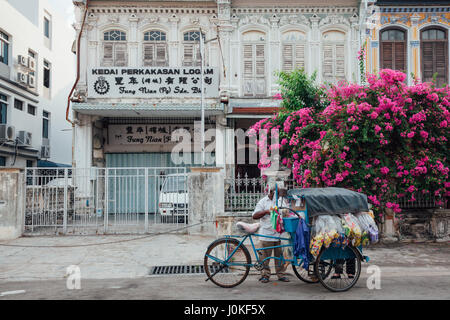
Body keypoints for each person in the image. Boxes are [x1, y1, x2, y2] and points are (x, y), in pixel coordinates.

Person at [252, 181, 290, 283]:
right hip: (266, 234)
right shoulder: (263, 202)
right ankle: (265, 275)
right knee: (264, 257)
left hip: (279, 234)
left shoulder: (281, 201)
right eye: (278, 193)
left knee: (280, 257)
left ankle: (281, 274)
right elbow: (254, 215)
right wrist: (265, 212)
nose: (279, 196)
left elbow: (287, 212)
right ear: (272, 192)